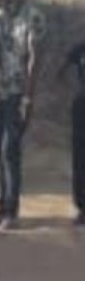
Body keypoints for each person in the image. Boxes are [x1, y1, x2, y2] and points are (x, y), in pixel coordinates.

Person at [0, 0, 46, 230]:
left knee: (10, 149)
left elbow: (34, 57)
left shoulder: (33, 16)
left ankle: (12, 211)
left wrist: (28, 96)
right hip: (1, 91)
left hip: (19, 90)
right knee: (0, 149)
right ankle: (2, 205)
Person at [62, 40, 85, 226]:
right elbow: (62, 72)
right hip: (82, 107)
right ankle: (82, 208)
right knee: (80, 159)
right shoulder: (80, 47)